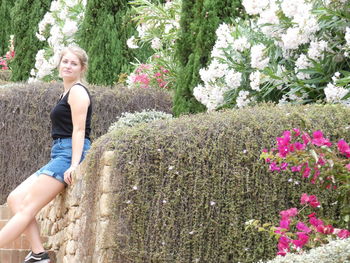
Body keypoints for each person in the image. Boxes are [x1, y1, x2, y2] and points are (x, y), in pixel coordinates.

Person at [0, 45, 92, 263]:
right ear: (59, 65)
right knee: (15, 199)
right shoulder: (66, 92)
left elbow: (79, 130)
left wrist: (74, 164)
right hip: (59, 152)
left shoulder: (78, 91)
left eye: (74, 63)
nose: (68, 66)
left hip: (69, 154)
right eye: (65, 61)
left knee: (27, 207)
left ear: (82, 68)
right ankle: (39, 254)